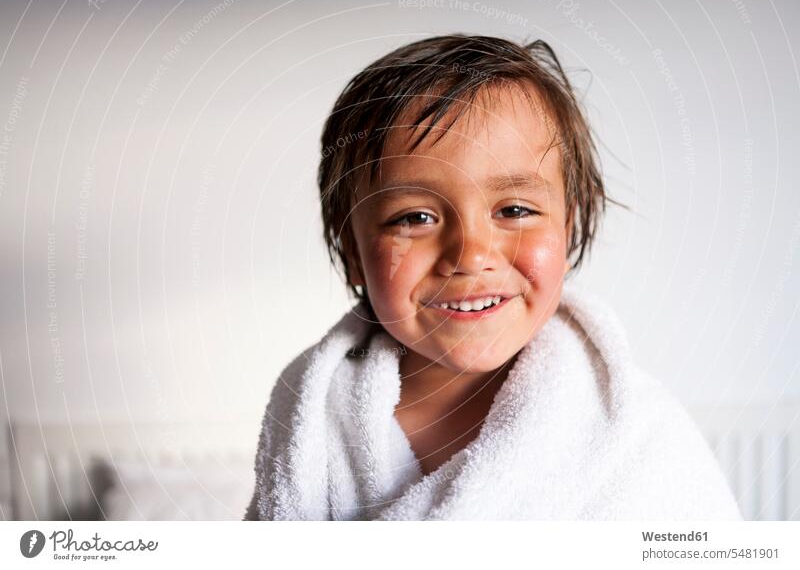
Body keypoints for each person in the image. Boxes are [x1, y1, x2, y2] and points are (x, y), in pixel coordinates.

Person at [244, 34, 742, 521]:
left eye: (515, 209)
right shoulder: (310, 413)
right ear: (353, 252)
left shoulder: (635, 432)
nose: (471, 255)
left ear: (568, 230)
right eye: (414, 218)